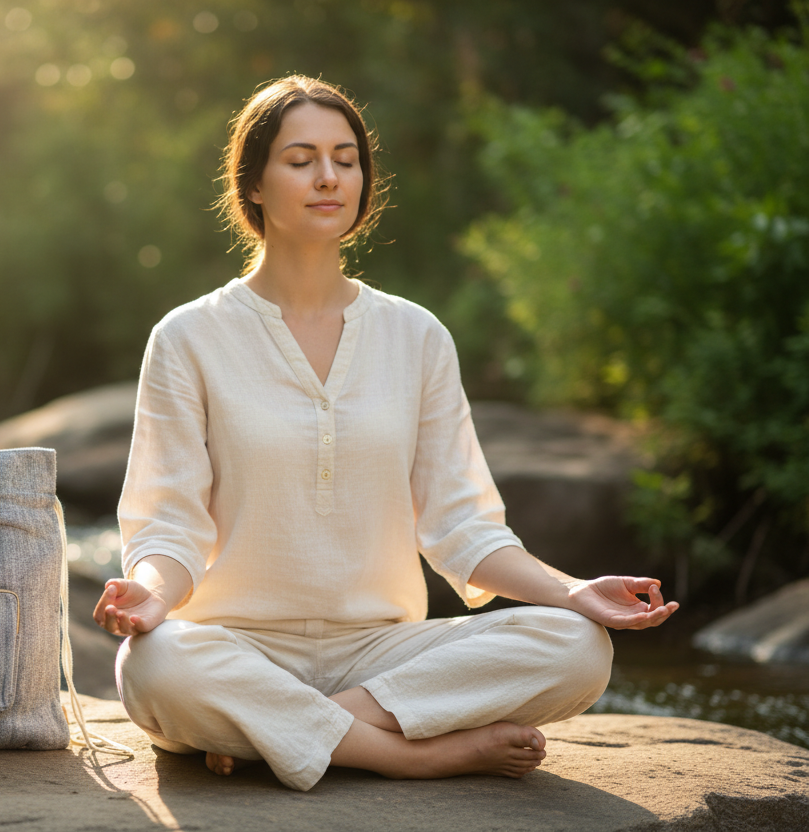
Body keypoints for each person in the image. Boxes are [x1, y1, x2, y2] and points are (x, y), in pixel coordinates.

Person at [92, 75, 678, 792]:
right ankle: (414, 754)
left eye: (346, 157)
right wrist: (150, 595)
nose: (329, 176)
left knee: (579, 645)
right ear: (253, 183)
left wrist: (573, 590)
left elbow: (463, 528)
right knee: (153, 664)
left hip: (383, 651)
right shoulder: (188, 338)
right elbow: (169, 525)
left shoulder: (416, 335)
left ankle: (281, 733)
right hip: (236, 644)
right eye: (300, 159)